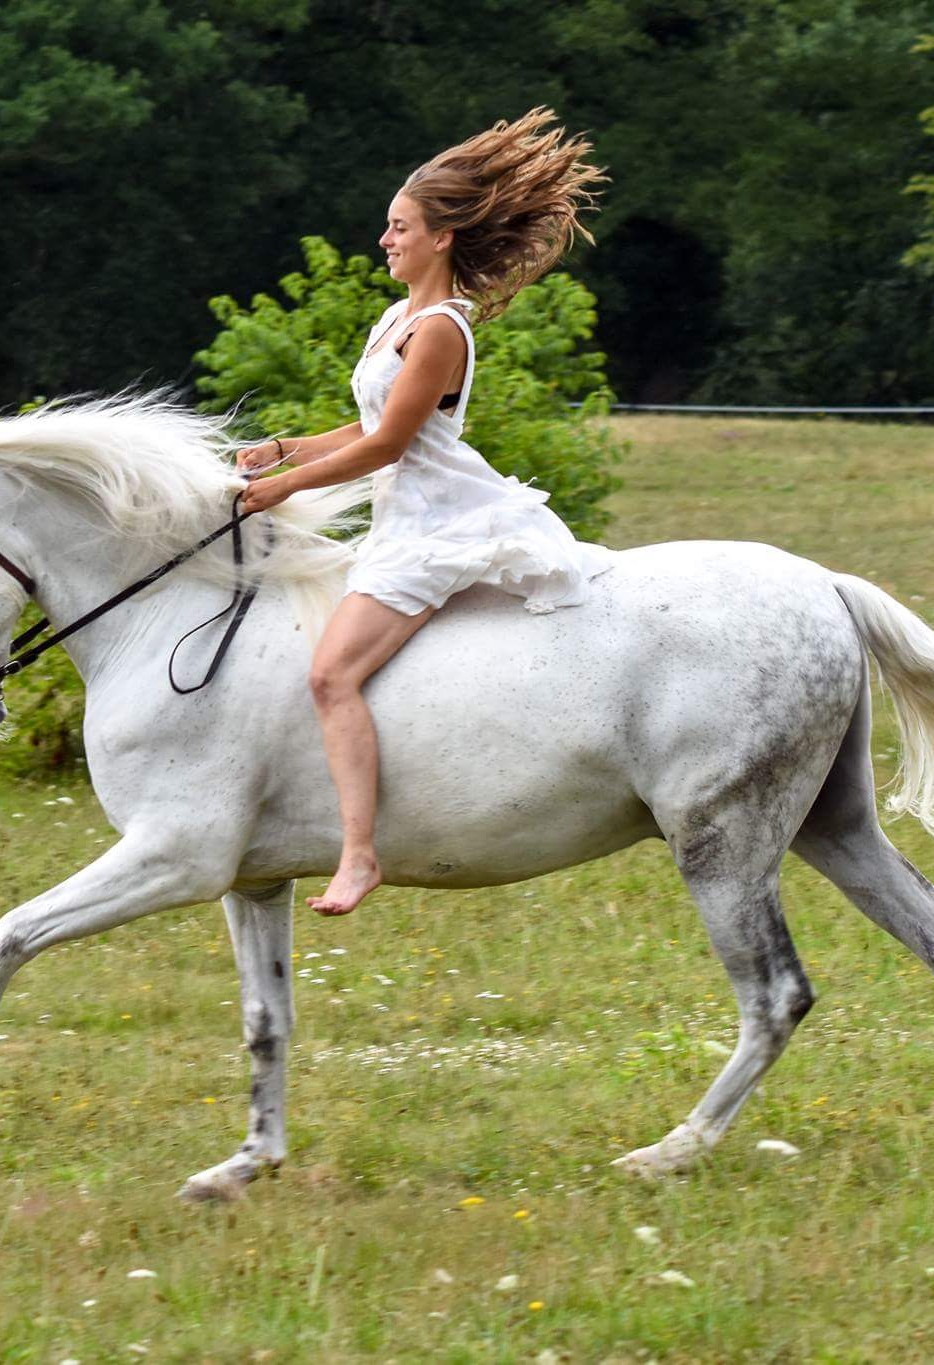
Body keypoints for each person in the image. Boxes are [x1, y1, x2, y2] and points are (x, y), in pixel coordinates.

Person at [234, 108, 619, 917]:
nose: (385, 239)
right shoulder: (394, 322)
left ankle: (359, 854)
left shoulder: (441, 328)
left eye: (399, 226)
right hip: (404, 519)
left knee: (330, 674)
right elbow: (367, 426)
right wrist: (284, 449)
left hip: (435, 524)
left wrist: (283, 491)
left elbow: (391, 445)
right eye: (387, 226)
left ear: (440, 238)